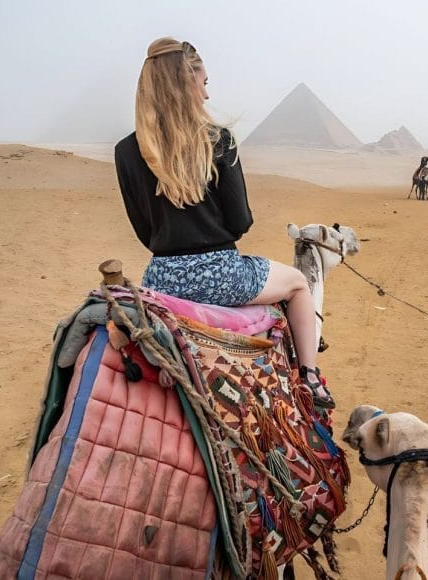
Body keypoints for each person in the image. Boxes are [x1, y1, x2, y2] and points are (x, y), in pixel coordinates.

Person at [113, 37, 332, 407]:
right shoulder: (219, 140)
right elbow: (240, 220)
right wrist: (212, 236)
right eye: (204, 83)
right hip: (220, 274)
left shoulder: (125, 150)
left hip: (161, 279)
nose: (207, 95)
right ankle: (310, 378)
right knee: (297, 285)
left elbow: (144, 231)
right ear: (188, 84)